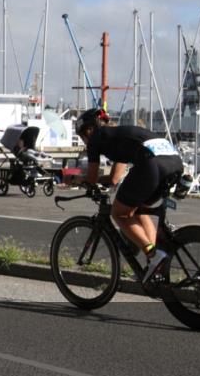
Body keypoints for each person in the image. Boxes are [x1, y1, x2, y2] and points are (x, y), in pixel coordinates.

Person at [71, 107, 184, 283]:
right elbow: (114, 178)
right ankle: (155, 261)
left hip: (152, 165)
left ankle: (153, 254)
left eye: (81, 136)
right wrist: (102, 179)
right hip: (174, 162)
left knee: (118, 213)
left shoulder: (95, 139)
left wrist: (75, 179)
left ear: (89, 129)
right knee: (140, 208)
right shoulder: (119, 136)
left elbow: (91, 179)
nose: (83, 141)